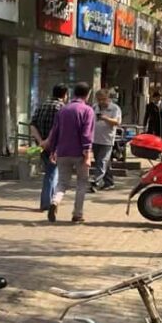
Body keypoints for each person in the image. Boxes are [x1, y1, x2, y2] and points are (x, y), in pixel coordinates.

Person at [43, 82, 95, 224]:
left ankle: (55, 201)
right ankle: (77, 214)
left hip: (63, 152)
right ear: (88, 94)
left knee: (62, 182)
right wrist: (87, 152)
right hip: (80, 152)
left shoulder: (63, 110)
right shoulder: (87, 110)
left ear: (73, 93)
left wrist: (53, 150)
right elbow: (86, 134)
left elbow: (55, 132)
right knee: (82, 183)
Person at [30, 84, 68, 212]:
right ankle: (46, 203)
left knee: (50, 171)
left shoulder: (42, 105)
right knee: (51, 173)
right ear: (65, 95)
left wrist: (41, 141)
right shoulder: (62, 108)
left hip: (41, 145)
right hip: (55, 145)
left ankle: (51, 200)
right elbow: (59, 127)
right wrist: (48, 141)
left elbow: (32, 125)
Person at [91, 88, 122, 191]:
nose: (101, 102)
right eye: (99, 99)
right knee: (102, 162)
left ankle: (96, 182)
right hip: (95, 139)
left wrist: (105, 118)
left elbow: (117, 122)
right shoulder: (94, 107)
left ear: (108, 98)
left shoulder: (114, 108)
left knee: (102, 161)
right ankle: (109, 182)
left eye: (103, 99)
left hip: (107, 140)